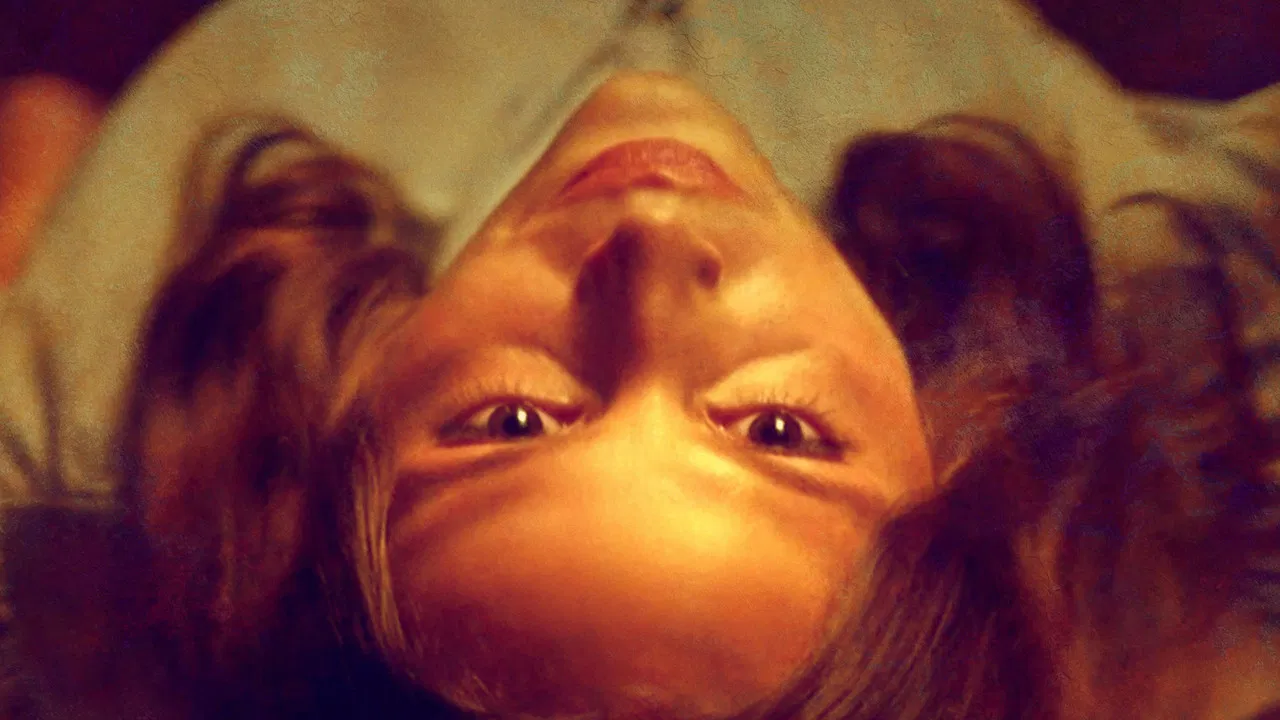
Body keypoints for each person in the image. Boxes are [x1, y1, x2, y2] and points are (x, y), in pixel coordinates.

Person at [1, 1, 1278, 718]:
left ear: (360, 394)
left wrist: (47, 136)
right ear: (954, 442)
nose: (653, 246)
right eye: (776, 429)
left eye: (512, 421)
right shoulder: (1122, 259)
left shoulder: (127, 338)